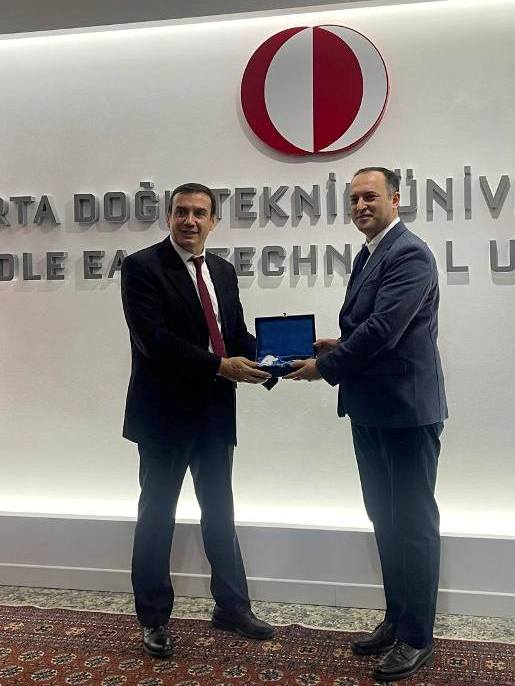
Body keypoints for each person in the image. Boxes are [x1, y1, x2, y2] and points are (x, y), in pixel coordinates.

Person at [286, 167, 447, 681]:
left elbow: (383, 329)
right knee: (385, 520)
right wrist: (338, 344)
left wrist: (325, 367)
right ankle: (397, 619)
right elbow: (372, 327)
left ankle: (417, 637)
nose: (360, 206)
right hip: (371, 409)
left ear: (395, 199)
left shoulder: (410, 253)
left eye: (370, 196)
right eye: (354, 198)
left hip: (406, 412)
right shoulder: (370, 253)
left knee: (413, 525)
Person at [121, 182, 275, 659]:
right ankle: (153, 618)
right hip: (164, 416)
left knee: (220, 512)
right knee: (156, 517)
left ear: (214, 221)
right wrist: (219, 366)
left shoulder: (222, 271)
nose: (190, 220)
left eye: (199, 213)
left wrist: (280, 359)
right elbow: (154, 341)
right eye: (182, 212)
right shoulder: (142, 267)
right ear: (169, 216)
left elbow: (234, 335)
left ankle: (232, 606)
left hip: (214, 414)